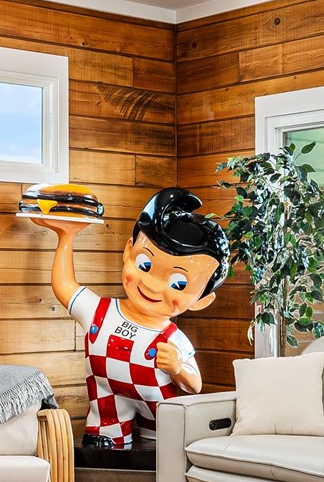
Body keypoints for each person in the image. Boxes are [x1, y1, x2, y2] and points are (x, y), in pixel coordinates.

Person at [27, 187, 231, 449]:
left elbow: (195, 385)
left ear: (202, 300)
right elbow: (65, 286)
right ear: (128, 251)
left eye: (178, 283)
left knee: (161, 455)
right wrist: (65, 237)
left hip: (159, 408)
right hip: (107, 404)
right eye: (144, 265)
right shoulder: (100, 311)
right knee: (101, 455)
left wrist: (179, 368)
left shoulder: (172, 338)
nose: (154, 286)